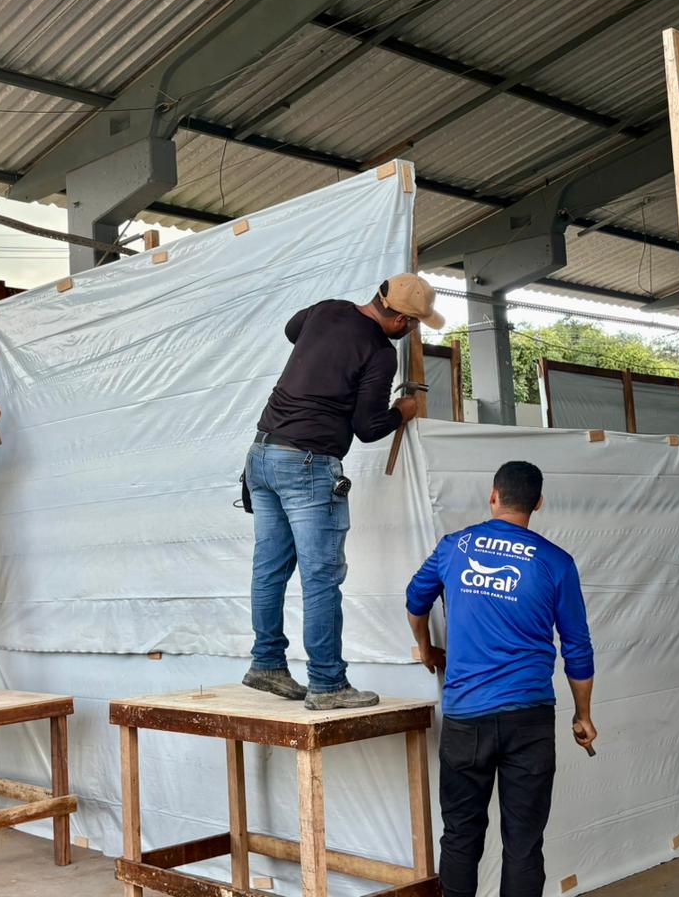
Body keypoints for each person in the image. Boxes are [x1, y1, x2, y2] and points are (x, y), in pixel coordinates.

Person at [244, 273, 444, 710]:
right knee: (320, 578)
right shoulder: (379, 350)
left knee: (269, 569)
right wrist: (402, 411)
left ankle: (267, 664)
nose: (411, 332)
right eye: (414, 325)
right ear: (401, 321)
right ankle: (328, 684)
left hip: (262, 454)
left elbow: (291, 330)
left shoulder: (328, 308)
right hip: (308, 464)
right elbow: (367, 427)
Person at [405, 460, 595, 897]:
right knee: (524, 844)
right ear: (538, 503)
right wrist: (583, 715)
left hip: (465, 718)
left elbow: (415, 600)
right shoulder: (556, 562)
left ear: (493, 496)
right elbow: (577, 648)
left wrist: (427, 649)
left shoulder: (456, 546)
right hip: (529, 721)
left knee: (460, 836)